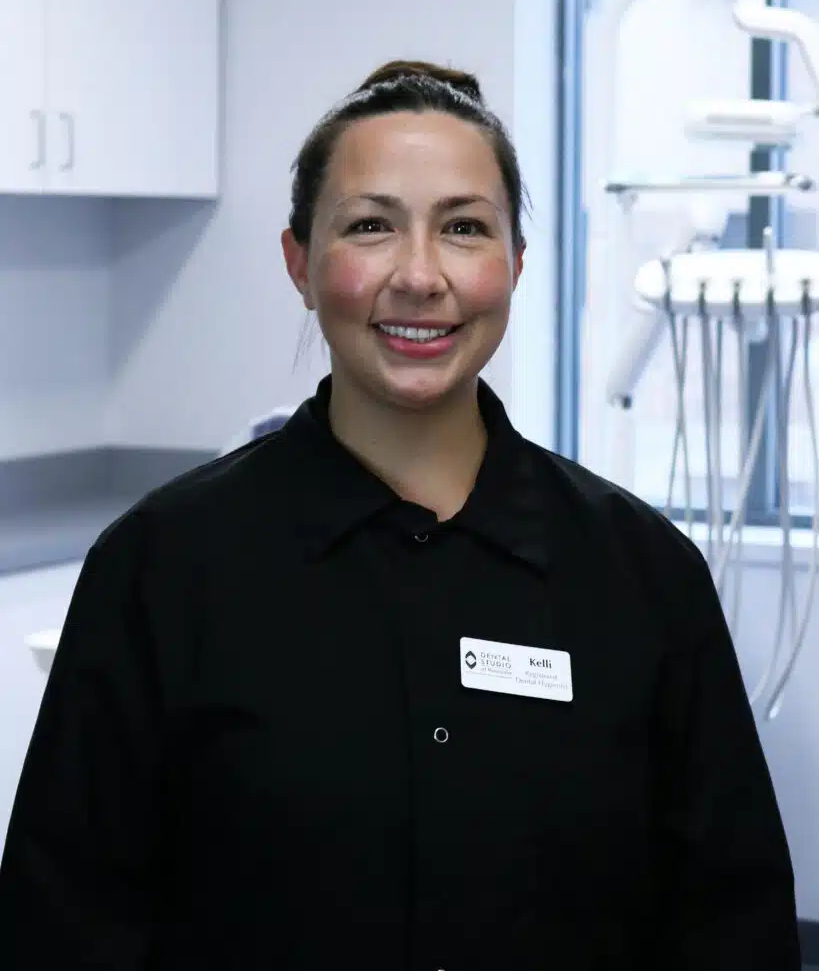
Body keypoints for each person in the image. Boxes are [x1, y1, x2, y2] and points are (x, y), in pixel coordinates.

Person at [0, 60, 801, 970]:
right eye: (371, 226)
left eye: (463, 228)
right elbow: (62, 925)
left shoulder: (642, 573)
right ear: (299, 263)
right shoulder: (163, 565)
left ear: (514, 265)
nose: (419, 276)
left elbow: (731, 922)